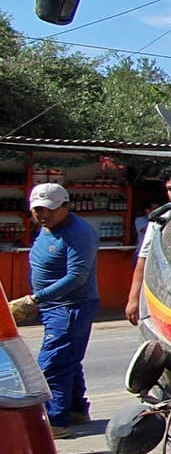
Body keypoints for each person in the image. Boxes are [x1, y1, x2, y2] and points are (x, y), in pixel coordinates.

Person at [7, 184, 100, 439]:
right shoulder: (47, 229)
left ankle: (55, 422)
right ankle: (75, 410)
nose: (41, 215)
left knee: (52, 364)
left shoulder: (78, 233)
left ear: (66, 207)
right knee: (68, 359)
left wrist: (34, 299)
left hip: (71, 306)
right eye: (37, 210)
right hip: (52, 307)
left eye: (48, 210)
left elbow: (76, 277)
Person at [126, 166, 171, 325]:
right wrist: (133, 299)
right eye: (169, 189)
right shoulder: (161, 219)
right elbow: (143, 259)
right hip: (166, 292)